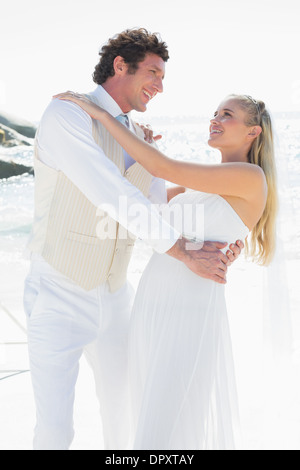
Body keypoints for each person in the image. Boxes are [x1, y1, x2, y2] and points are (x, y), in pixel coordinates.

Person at [23, 28, 243, 451]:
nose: (161, 86)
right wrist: (181, 251)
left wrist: (228, 232)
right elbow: (109, 192)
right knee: (55, 429)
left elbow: (160, 206)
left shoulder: (141, 138)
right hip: (58, 290)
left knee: (125, 417)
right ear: (119, 66)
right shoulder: (67, 115)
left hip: (117, 297)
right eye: (154, 73)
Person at [54, 91, 278, 449]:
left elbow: (163, 168)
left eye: (228, 115)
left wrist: (104, 116)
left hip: (189, 309)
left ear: (253, 133)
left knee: (167, 419)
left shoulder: (250, 177)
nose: (215, 119)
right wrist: (138, 144)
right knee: (148, 408)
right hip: (153, 302)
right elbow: (139, 199)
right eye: (215, 112)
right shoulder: (201, 184)